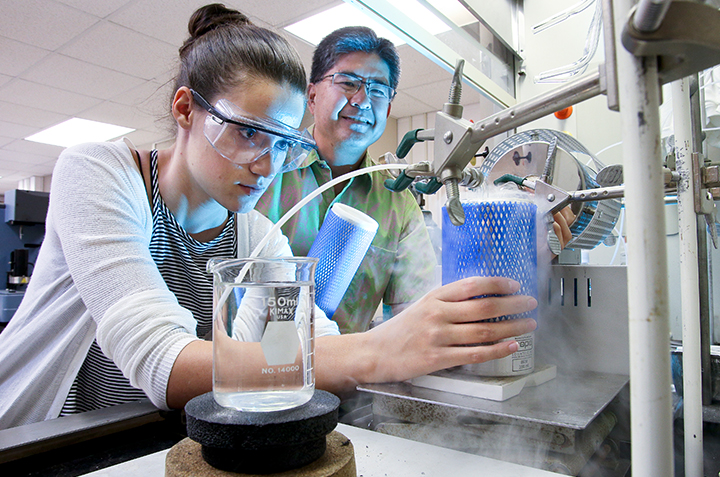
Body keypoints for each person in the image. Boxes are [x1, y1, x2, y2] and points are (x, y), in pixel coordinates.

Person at [0, 4, 540, 430]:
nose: (266, 165)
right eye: (247, 132)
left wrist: (434, 336)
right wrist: (378, 350)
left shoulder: (257, 234)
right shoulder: (101, 173)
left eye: (284, 144)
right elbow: (162, 362)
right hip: (45, 438)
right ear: (186, 109)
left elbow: (302, 346)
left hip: (149, 438)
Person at [255, 27, 432, 334]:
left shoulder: (397, 200)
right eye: (348, 83)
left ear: (388, 108)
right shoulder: (263, 168)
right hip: (248, 364)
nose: (363, 100)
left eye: (378, 90)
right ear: (311, 96)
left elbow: (414, 309)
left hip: (346, 373)